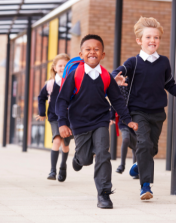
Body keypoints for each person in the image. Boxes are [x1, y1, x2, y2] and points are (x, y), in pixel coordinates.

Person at [112, 17, 176, 200]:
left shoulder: (164, 62)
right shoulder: (133, 62)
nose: (152, 40)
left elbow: (170, 84)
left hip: (157, 112)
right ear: (139, 40)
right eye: (148, 37)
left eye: (156, 37)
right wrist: (116, 77)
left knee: (152, 148)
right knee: (145, 144)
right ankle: (145, 186)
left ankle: (139, 166)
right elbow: (116, 71)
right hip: (137, 111)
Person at [56, 34, 138, 209]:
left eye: (96, 49)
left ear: (103, 55)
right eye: (88, 49)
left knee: (103, 153)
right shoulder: (74, 74)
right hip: (79, 123)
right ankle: (78, 158)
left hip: (101, 120)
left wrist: (127, 120)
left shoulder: (106, 76)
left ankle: (104, 194)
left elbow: (117, 100)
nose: (92, 52)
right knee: (86, 159)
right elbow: (62, 100)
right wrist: (62, 123)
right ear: (81, 53)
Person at [36, 54, 72, 182]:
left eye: (66, 65)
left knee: (65, 144)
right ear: (55, 68)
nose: (63, 68)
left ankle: (63, 166)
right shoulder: (50, 84)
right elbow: (41, 98)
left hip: (69, 117)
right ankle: (52, 170)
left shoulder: (72, 82)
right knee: (57, 139)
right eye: (60, 65)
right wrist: (42, 112)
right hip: (54, 116)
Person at [110, 79, 138, 179]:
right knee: (126, 139)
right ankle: (122, 165)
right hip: (123, 120)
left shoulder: (136, 86)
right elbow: (115, 102)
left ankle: (136, 169)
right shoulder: (118, 88)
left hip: (136, 120)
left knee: (136, 146)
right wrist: (112, 117)